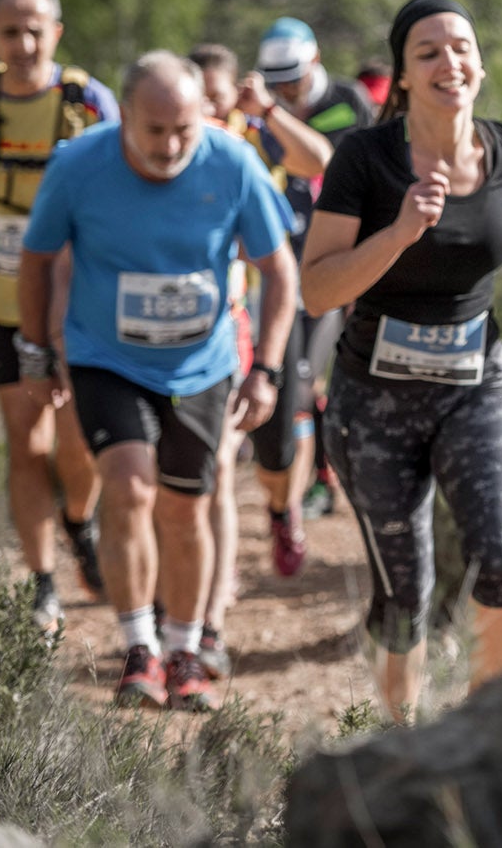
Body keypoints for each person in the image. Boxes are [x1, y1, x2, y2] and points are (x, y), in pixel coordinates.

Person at [301, 0, 502, 720]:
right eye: (427, 51)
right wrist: (396, 234)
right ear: (401, 75)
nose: (448, 61)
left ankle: (489, 734)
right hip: (375, 402)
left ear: (480, 65)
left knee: (500, 559)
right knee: (406, 587)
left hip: (475, 384)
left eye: (460, 47)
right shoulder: (364, 159)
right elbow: (315, 288)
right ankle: (404, 738)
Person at [17, 51, 296, 711]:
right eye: (154, 129)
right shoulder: (80, 164)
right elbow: (36, 258)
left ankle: (184, 648)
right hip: (105, 356)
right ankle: (138, 645)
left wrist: (269, 369)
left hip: (201, 362)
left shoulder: (231, 162)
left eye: (184, 129)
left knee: (184, 505)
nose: (170, 145)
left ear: (203, 115)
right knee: (129, 486)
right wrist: (35, 347)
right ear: (126, 118)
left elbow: (280, 272)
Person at [0, 0, 118, 635]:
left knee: (77, 443)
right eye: (11, 30)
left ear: (57, 33)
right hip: (1, 302)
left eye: (36, 28)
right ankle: (43, 583)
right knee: (23, 440)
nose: (24, 42)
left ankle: (79, 523)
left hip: (81, 306)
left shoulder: (89, 104)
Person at [186, 43, 333, 673]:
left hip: (277, 294)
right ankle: (203, 601)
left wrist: (265, 111)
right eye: (205, 102)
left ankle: (280, 508)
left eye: (221, 100)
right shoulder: (174, 141)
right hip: (206, 319)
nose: (214, 112)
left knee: (276, 438)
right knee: (212, 463)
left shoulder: (254, 133)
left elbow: (320, 161)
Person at [255, 18, 378, 540]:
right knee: (284, 394)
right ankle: (292, 491)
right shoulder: (263, 115)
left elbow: (369, 180)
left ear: (316, 61)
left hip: (329, 269)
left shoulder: (349, 102)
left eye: (295, 79)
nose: (287, 91)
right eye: (277, 81)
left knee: (304, 380)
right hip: (275, 269)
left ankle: (316, 487)